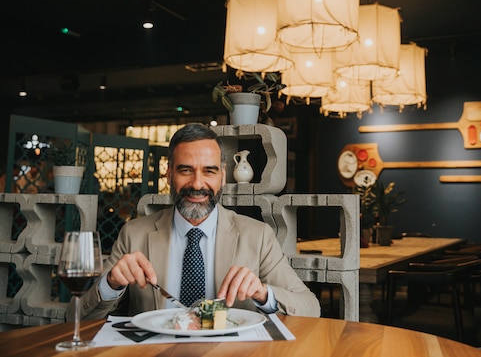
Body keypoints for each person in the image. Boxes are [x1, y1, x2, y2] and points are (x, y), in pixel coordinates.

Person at [74, 123, 320, 319]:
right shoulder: (133, 234)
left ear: (223, 176)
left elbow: (310, 307)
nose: (198, 184)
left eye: (209, 171)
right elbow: (75, 317)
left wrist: (264, 294)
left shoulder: (258, 236)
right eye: (186, 170)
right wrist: (111, 284)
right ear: (169, 173)